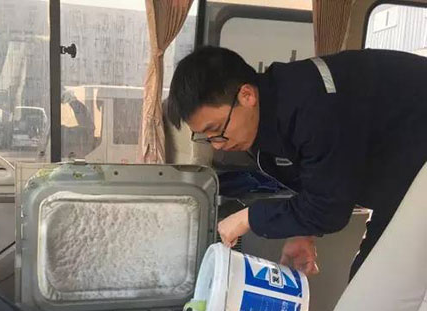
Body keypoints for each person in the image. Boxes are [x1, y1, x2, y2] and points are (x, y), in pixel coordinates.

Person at [167, 46, 427, 278]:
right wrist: (303, 232)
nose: (217, 144)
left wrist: (248, 218)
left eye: (216, 129)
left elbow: (328, 209)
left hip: (416, 178)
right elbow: (317, 178)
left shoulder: (312, 105)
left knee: (378, 292)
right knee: (371, 287)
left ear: (246, 96)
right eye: (206, 136)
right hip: (405, 189)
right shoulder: (267, 120)